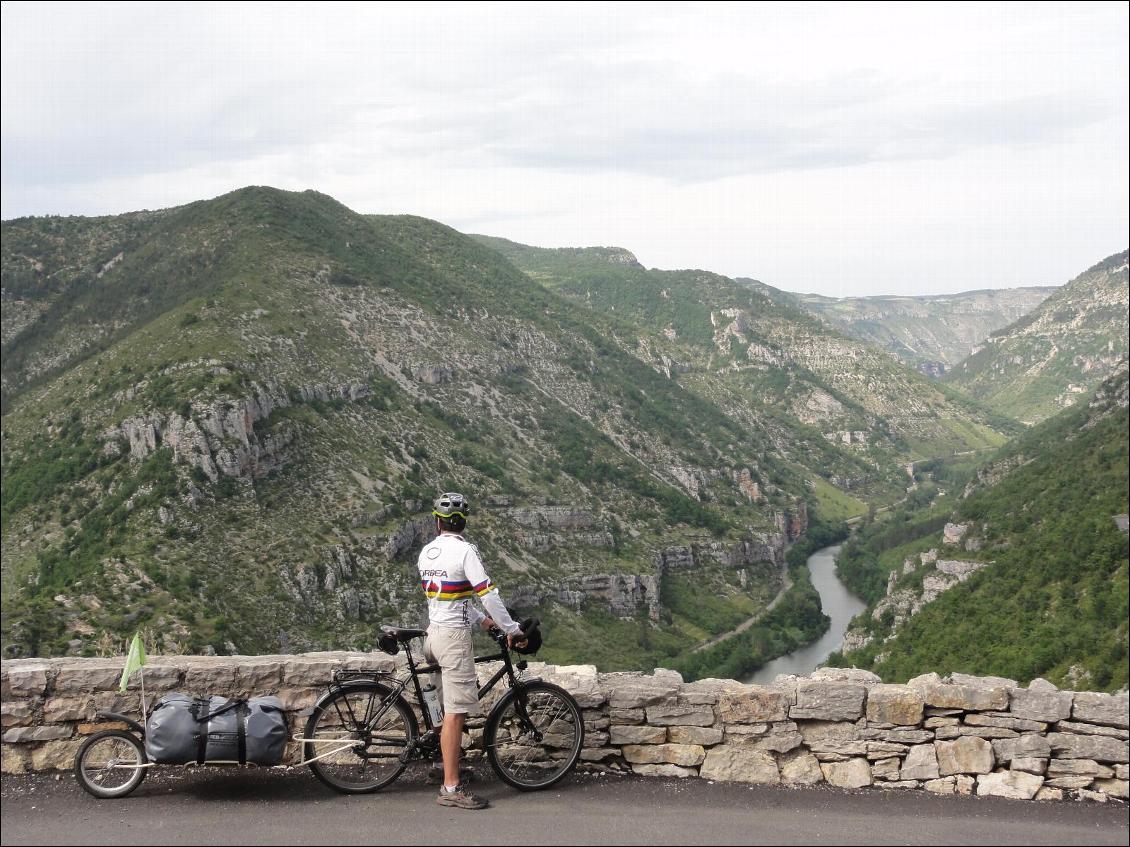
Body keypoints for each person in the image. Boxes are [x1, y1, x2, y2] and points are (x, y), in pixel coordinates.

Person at [417, 491, 525, 810]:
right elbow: (487, 594)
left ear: (438, 523)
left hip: (432, 635)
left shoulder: (427, 551)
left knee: (440, 705)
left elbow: (450, 596)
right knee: (455, 713)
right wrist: (510, 628)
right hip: (453, 641)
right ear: (462, 522)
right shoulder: (466, 552)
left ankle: (445, 762)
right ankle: (451, 788)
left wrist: (482, 621)